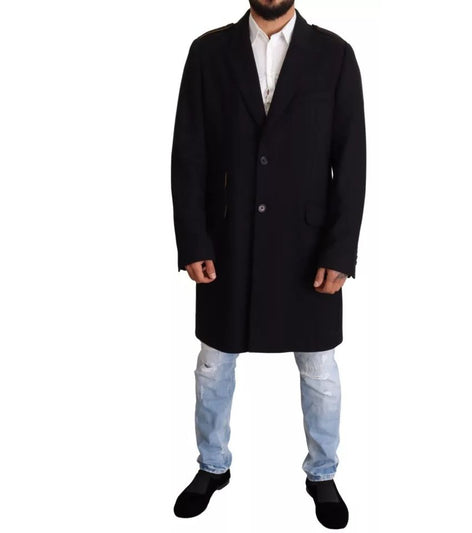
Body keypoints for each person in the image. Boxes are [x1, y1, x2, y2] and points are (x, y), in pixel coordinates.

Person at [170, 0, 366, 529]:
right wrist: (193, 240)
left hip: (307, 248)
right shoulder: (208, 53)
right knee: (213, 366)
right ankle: (212, 465)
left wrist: (340, 252)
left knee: (320, 370)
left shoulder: (335, 56)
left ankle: (322, 473)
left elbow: (351, 161)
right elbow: (188, 153)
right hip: (227, 243)